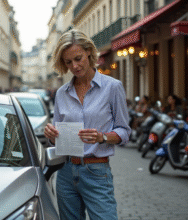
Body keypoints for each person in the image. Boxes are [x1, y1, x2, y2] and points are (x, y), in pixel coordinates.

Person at [44, 29, 131, 220]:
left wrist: (103, 137)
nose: (74, 66)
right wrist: (52, 136)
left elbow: (124, 131)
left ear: (89, 52)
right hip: (65, 173)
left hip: (97, 171)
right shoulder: (61, 93)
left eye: (78, 58)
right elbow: (57, 142)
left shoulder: (112, 87)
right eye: (68, 62)